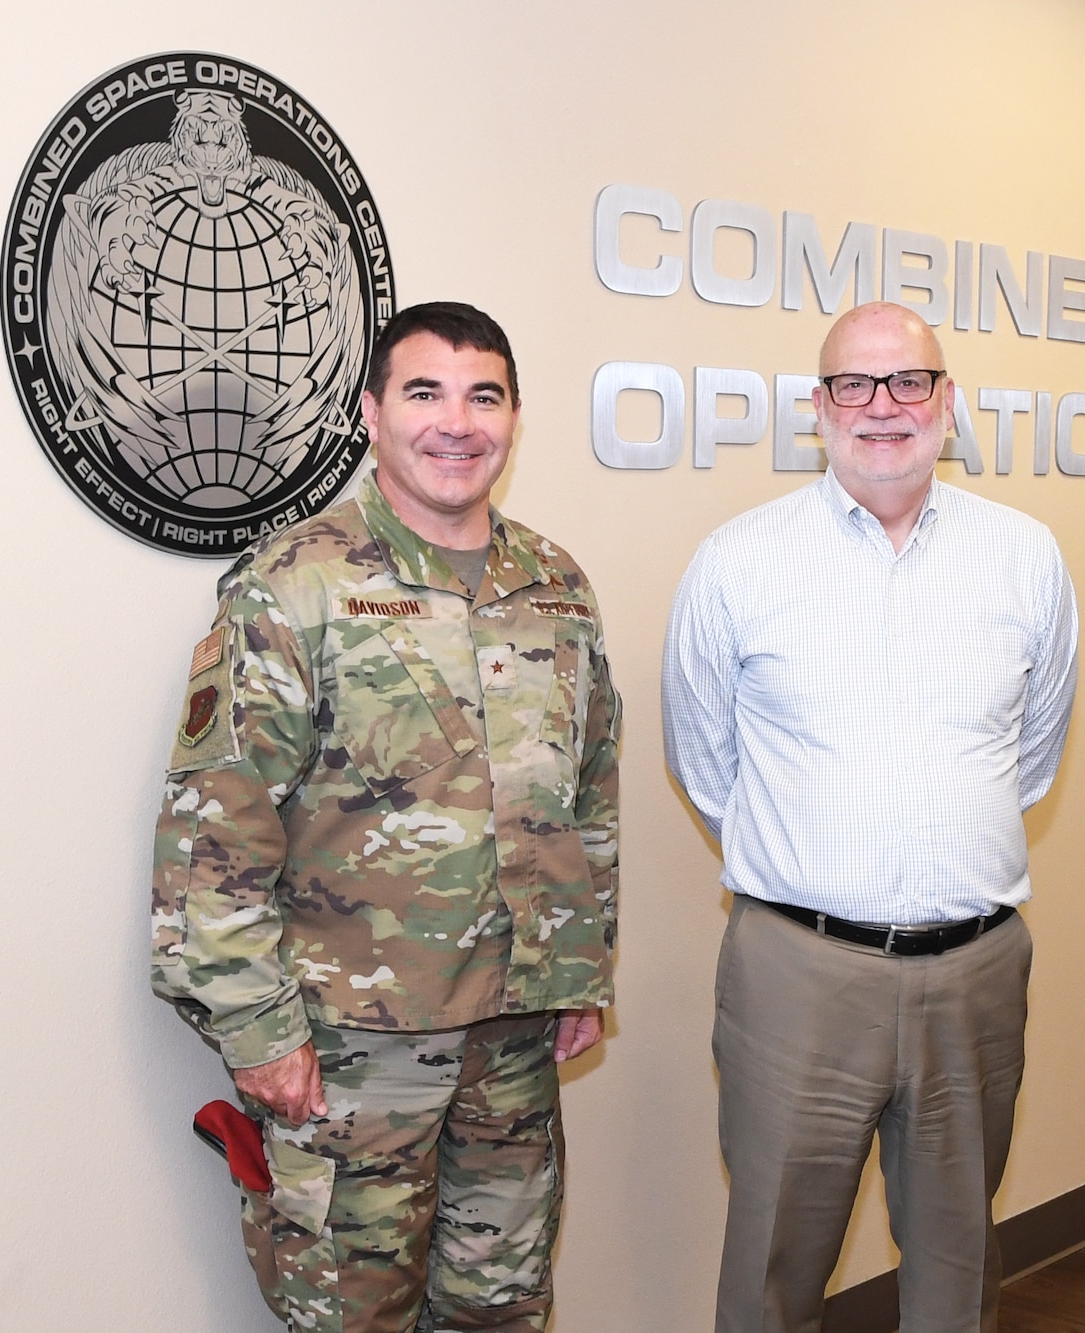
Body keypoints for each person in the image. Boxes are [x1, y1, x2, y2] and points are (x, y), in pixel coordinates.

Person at [151, 301, 621, 1332]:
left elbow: (584, 792)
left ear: (513, 417)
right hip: (351, 1048)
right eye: (424, 392)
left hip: (513, 1037)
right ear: (371, 413)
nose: (456, 422)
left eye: (482, 395)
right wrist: (259, 1034)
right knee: (350, 1315)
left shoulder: (553, 585)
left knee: (500, 1307)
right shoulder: (293, 586)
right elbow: (213, 837)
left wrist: (581, 966)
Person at [662, 301, 1081, 1333]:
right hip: (797, 974)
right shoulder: (737, 562)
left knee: (954, 1269)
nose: (882, 407)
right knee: (773, 1269)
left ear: (948, 402)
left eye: (908, 383)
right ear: (818, 405)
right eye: (854, 383)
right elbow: (705, 765)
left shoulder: (1023, 557)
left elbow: (1028, 761)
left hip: (973, 973)